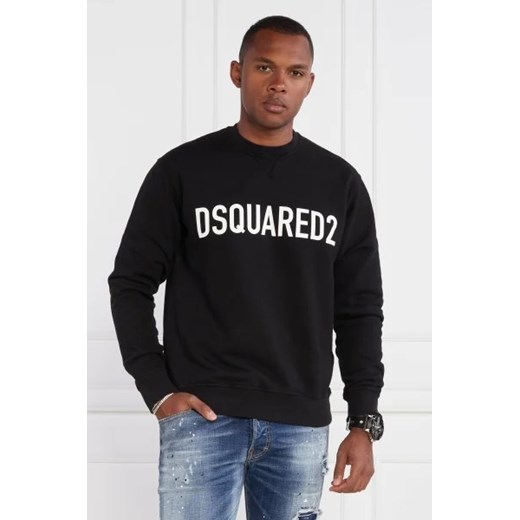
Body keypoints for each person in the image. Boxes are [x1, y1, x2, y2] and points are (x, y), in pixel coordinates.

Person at [107, 14, 385, 520]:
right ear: (237, 72)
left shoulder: (338, 184)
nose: (279, 83)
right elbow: (130, 282)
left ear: (309, 83)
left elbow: (359, 309)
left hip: (301, 425)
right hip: (202, 419)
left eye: (294, 73)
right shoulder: (182, 171)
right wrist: (158, 390)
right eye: (264, 67)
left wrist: (363, 420)